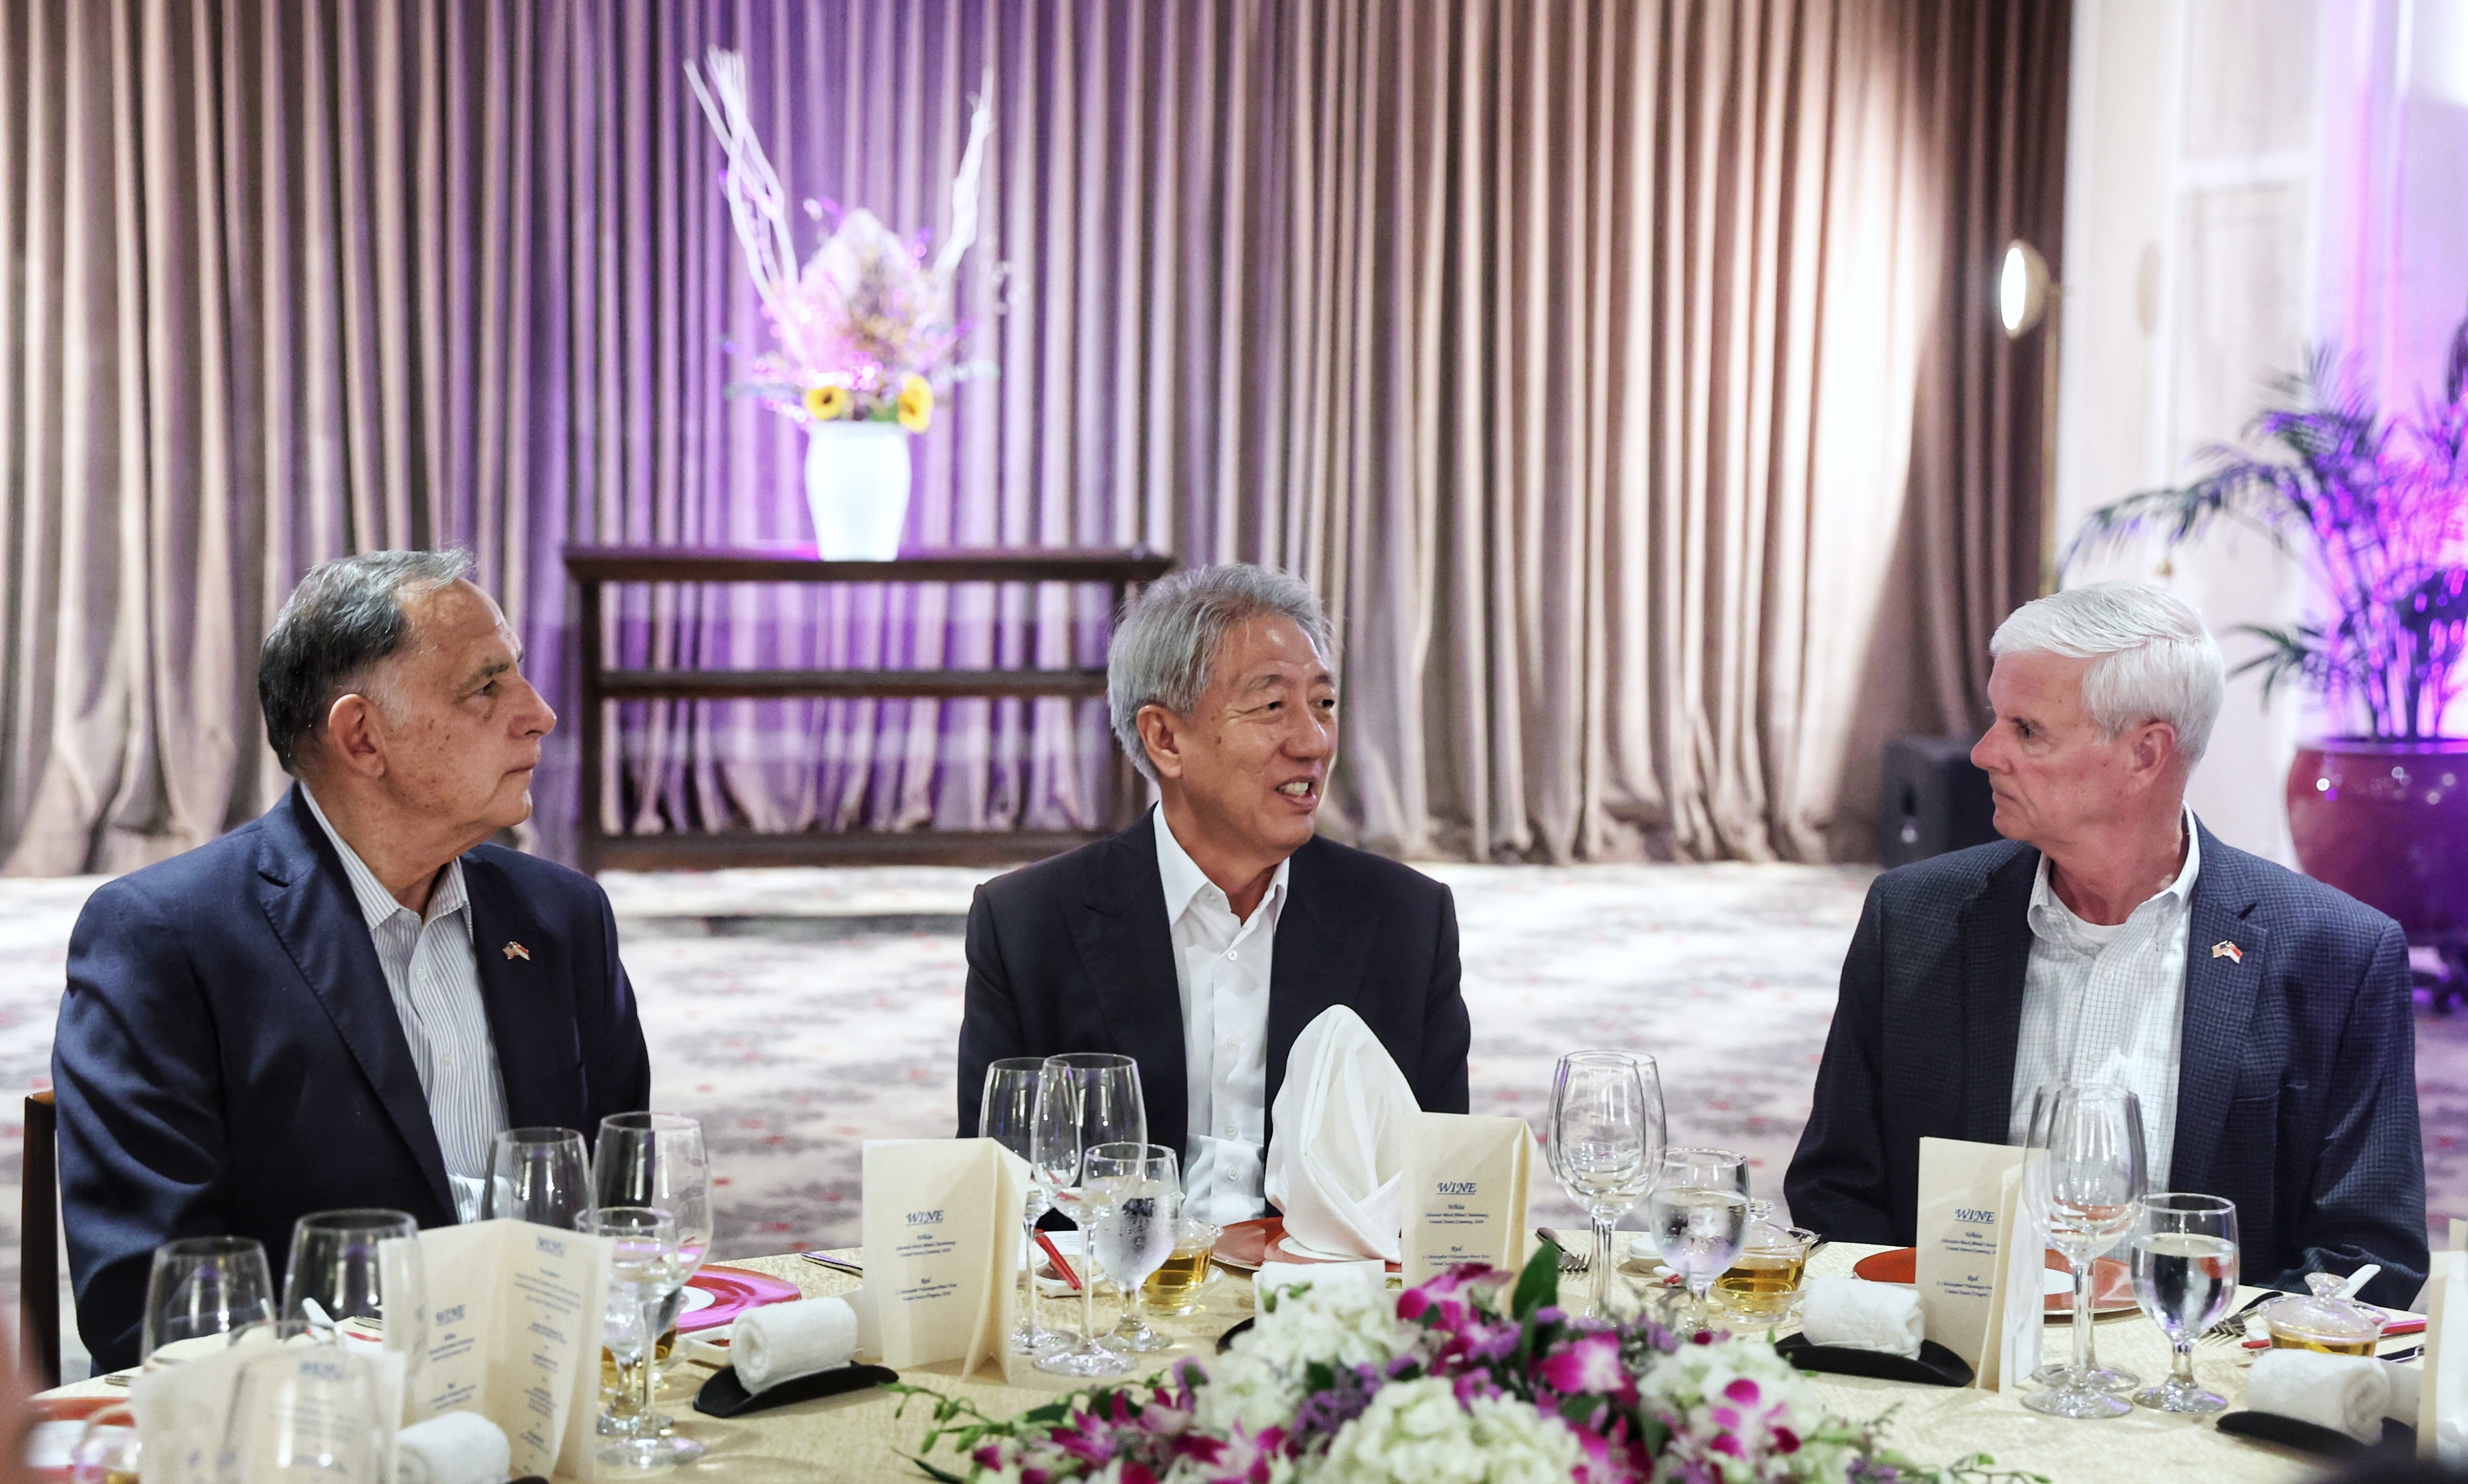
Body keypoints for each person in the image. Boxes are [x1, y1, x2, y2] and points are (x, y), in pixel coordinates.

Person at [53, 550, 652, 1371]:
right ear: (362, 737)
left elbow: (626, 1220)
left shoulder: (561, 917)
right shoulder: (167, 940)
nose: (539, 713)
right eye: (487, 687)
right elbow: (154, 1307)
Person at [1786, 581, 2427, 1307]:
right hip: (1949, 1365)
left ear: (2144, 753)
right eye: (1995, 719)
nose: (1984, 753)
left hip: (2199, 1393)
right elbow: (1833, 1191)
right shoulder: (1913, 918)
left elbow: (2368, 1256)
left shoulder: (2336, 955)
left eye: (2027, 730)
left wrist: (2191, 1364)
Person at [955, 563, 1471, 1222]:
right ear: (1165, 738)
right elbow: (999, 1194)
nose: (1313, 741)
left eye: (1323, 702)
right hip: (1120, 1299)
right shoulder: (1028, 923)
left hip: (1321, 1300)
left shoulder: (1406, 920)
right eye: (1272, 706)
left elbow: (1446, 1188)